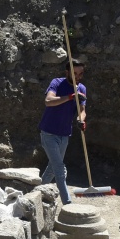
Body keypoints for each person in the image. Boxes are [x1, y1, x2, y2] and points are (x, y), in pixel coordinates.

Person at [39, 59, 86, 204]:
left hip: (65, 134)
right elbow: (49, 101)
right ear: (67, 72)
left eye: (81, 74)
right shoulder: (57, 83)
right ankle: (68, 203)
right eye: (75, 73)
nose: (78, 77)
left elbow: (82, 111)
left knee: (52, 168)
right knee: (60, 169)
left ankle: (37, 191)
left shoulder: (82, 88)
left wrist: (81, 120)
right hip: (48, 132)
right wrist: (70, 97)